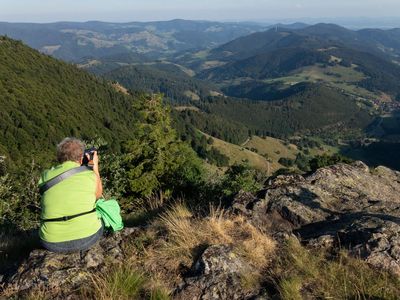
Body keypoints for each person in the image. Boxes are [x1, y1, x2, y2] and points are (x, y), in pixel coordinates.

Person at [38, 137, 103, 253]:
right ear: (81, 156)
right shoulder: (89, 175)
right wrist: (95, 167)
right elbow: (98, 195)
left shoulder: (45, 176)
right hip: (88, 237)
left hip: (51, 242)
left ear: (59, 157)